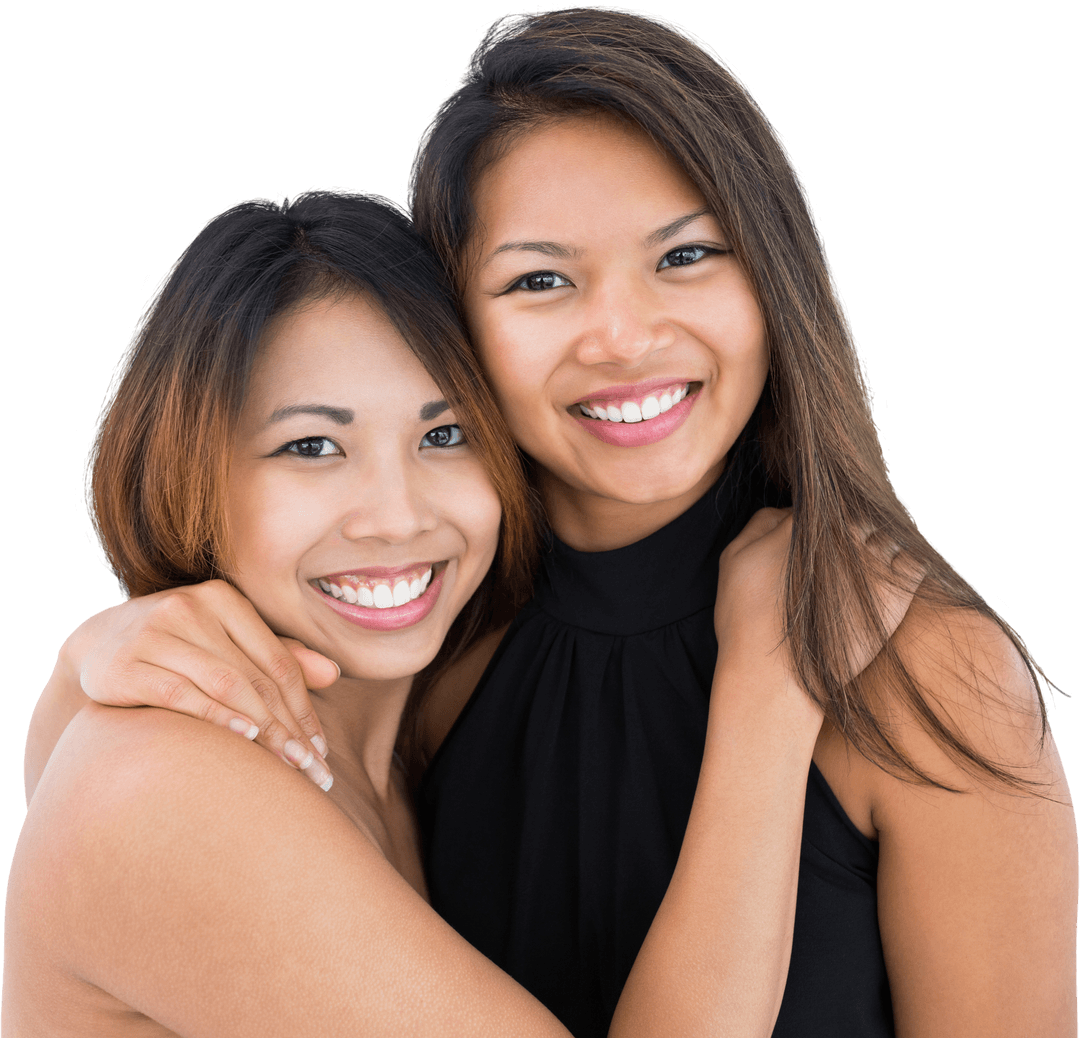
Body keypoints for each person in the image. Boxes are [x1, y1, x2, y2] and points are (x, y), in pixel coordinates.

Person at [21, 8, 1077, 1037]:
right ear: (454, 322)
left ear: (775, 277)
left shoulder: (927, 675)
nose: (623, 336)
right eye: (539, 278)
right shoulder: (427, 657)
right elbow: (128, 852)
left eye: (686, 256)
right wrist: (88, 661)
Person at [5, 187, 863, 1036]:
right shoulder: (172, 787)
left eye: (445, 436)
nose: (397, 517)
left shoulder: (406, 757)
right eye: (312, 446)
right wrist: (770, 689)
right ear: (183, 472)